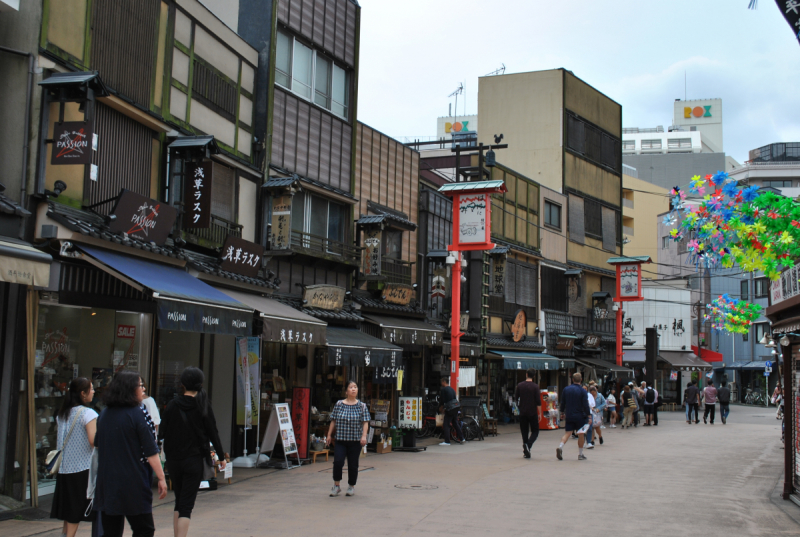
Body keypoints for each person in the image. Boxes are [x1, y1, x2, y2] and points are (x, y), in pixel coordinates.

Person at [94, 371, 167, 537]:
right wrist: (161, 477)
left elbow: (98, 444)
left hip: (108, 482)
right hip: (133, 480)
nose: (143, 389)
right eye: (140, 386)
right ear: (130, 389)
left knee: (111, 531)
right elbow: (151, 450)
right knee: (144, 529)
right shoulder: (138, 413)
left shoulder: (104, 414)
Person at [160, 367, 226, 537]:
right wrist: (221, 456)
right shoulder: (203, 405)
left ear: (182, 384)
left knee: (179, 500)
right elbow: (213, 432)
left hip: (174, 461)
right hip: (193, 461)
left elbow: (162, 433)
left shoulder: (172, 405)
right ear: (200, 384)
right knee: (186, 506)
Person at [50, 378, 98, 537]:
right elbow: (93, 440)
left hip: (64, 468)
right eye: (91, 389)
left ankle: (65, 535)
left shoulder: (63, 413)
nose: (94, 391)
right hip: (82, 467)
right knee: (75, 510)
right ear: (83, 394)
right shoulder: (88, 413)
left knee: (68, 508)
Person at [326, 380, 370, 497]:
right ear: (346, 391)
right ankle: (336, 486)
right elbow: (333, 420)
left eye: (355, 387)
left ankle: (351, 486)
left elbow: (365, 422)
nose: (353, 389)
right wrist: (329, 435)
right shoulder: (339, 404)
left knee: (353, 464)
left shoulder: (362, 406)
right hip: (340, 440)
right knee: (338, 462)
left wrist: (364, 436)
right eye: (351, 387)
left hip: (355, 440)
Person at [556, 373, 591, 461]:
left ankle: (560, 447)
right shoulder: (583, 391)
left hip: (569, 414)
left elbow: (563, 402)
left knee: (568, 433)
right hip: (580, 416)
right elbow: (585, 405)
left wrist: (562, 412)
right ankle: (580, 454)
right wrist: (589, 415)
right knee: (581, 434)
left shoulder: (566, 389)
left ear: (572, 380)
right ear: (581, 379)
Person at [514, 368, 542, 459]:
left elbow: (516, 398)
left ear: (526, 374)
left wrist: (518, 408)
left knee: (524, 431)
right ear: (534, 376)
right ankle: (528, 446)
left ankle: (526, 448)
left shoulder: (520, 385)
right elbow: (538, 401)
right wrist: (540, 413)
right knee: (535, 431)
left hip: (522, 412)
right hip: (532, 412)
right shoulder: (535, 387)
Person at [437, 377, 464, 446]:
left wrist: (441, 408)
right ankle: (462, 438)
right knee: (455, 423)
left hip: (450, 409)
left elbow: (442, 400)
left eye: (441, 382)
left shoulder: (444, 390)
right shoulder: (452, 389)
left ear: (443, 381)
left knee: (446, 424)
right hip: (455, 408)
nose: (441, 383)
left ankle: (447, 441)